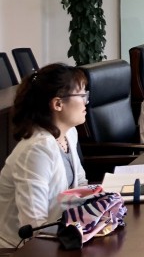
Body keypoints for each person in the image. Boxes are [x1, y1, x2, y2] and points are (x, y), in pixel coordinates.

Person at [0, 64, 89, 248]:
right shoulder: (36, 150)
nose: (86, 102)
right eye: (82, 96)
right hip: (20, 249)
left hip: (59, 235)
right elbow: (35, 226)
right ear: (58, 104)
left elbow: (80, 185)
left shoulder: (69, 133)